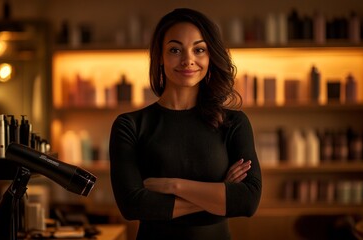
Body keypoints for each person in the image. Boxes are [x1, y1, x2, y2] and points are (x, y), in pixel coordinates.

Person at [109, 8, 262, 240]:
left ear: (210, 56)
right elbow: (132, 206)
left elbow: (248, 201)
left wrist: (174, 186)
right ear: (160, 57)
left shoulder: (234, 123)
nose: (188, 60)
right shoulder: (129, 126)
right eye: (175, 49)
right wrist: (219, 192)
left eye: (199, 49)